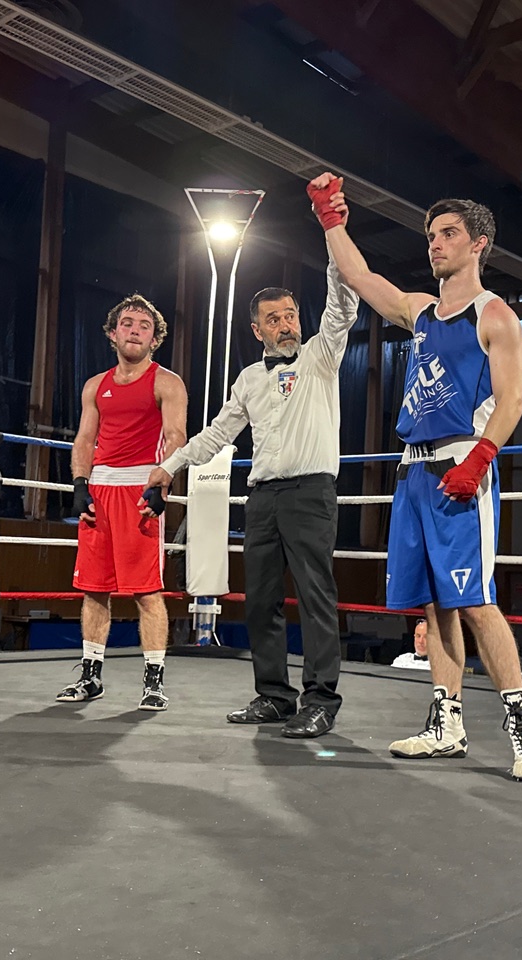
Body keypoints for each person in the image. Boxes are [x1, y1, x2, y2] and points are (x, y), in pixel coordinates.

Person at [318, 174, 522, 780]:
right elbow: (360, 277)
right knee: (433, 605)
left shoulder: (495, 315)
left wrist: (480, 459)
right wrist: (332, 220)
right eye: (430, 236)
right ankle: (447, 722)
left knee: (476, 601)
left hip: (460, 468)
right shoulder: (420, 310)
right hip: (413, 471)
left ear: (478, 244)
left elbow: (512, 401)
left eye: (448, 233)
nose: (435, 244)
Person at [146, 193, 359, 739]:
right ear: (257, 328)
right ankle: (274, 695)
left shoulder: (321, 355)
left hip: (311, 492)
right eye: (274, 319)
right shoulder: (247, 379)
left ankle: (321, 700)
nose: (286, 324)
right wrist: (169, 466)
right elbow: (218, 434)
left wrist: (332, 231)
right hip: (262, 498)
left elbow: (343, 306)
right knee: (262, 600)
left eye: (290, 315)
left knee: (315, 597)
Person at [56, 294, 187, 711]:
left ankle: (154, 682)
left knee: (147, 592)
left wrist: (162, 485)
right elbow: (85, 439)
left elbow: (176, 437)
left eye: (144, 326)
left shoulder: (167, 382)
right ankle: (90, 676)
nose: (135, 330)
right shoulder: (95, 385)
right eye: (128, 323)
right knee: (94, 590)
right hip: (99, 490)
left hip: (139, 491)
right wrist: (79, 484)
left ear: (155, 339)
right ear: (113, 333)